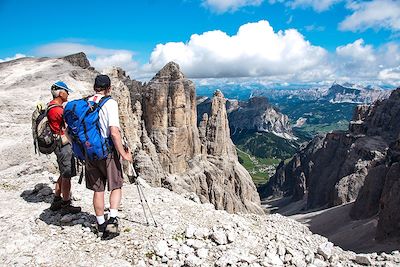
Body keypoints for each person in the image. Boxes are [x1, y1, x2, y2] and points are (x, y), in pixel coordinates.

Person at [84, 75, 132, 237]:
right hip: (107, 152)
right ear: (109, 88)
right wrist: (123, 154)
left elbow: (70, 130)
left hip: (89, 152)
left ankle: (100, 224)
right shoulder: (110, 103)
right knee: (116, 185)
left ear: (94, 87)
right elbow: (114, 132)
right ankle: (112, 221)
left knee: (98, 190)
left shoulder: (85, 102)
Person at [48, 81, 81, 214]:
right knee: (67, 174)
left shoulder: (51, 106)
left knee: (63, 172)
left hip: (57, 144)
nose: (67, 95)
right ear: (61, 93)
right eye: (66, 92)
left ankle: (57, 200)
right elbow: (70, 125)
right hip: (63, 145)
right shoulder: (58, 110)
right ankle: (66, 204)